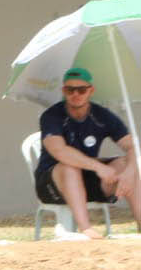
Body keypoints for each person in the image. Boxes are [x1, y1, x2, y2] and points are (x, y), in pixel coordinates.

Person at [35, 66, 140, 237]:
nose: (76, 94)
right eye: (70, 90)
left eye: (81, 90)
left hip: (86, 181)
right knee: (69, 167)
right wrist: (98, 167)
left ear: (91, 91)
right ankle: (86, 229)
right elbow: (59, 151)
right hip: (52, 185)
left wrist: (129, 171)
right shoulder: (51, 116)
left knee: (124, 163)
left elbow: (132, 146)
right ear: (63, 91)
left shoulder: (102, 115)